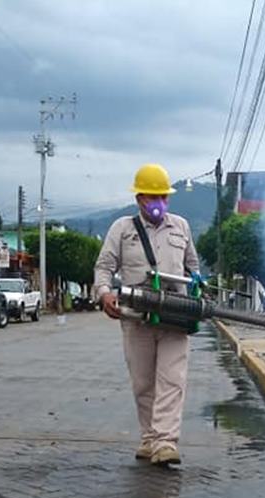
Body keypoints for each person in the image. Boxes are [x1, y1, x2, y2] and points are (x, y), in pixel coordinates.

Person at [94, 164, 200, 466]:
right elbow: (104, 267)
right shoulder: (122, 229)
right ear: (139, 198)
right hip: (137, 315)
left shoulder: (181, 227)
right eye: (153, 197)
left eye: (163, 197)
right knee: (143, 382)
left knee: (172, 379)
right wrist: (105, 293)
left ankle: (165, 442)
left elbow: (193, 266)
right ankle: (150, 438)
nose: (159, 203)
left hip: (175, 314)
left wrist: (196, 288)